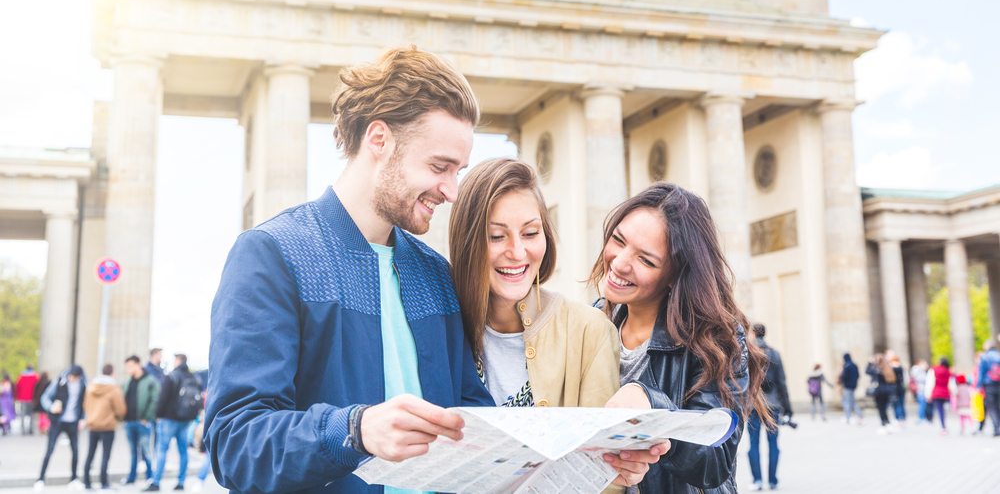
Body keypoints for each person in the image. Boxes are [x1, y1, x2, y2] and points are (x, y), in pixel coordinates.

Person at [206, 46, 664, 494]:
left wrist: (596, 460)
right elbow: (234, 443)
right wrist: (356, 429)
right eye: (439, 166)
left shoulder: (434, 274)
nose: (451, 191)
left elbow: (477, 424)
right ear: (379, 139)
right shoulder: (272, 256)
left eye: (458, 170)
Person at [589, 183, 771, 494]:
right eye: (618, 240)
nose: (619, 262)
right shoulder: (594, 320)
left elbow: (717, 459)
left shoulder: (715, 339)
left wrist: (653, 410)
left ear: (675, 276)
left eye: (646, 260)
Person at [448, 157, 620, 409]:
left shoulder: (589, 331)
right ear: (465, 241)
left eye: (530, 233)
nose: (517, 252)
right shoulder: (440, 327)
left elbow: (600, 445)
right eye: (496, 236)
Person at [146, 354, 203, 492]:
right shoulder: (195, 378)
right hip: (186, 420)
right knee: (183, 451)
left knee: (162, 450)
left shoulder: (172, 376)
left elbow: (163, 397)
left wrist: (158, 415)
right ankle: (181, 482)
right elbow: (199, 399)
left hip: (169, 419)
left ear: (177, 361)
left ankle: (156, 482)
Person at [743, 324, 789, 490]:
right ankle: (772, 480)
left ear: (754, 334)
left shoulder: (747, 353)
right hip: (773, 405)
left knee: (753, 444)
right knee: (773, 444)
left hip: (753, 404)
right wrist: (788, 407)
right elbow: (782, 382)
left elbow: (742, 381)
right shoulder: (774, 353)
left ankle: (757, 481)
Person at [36, 365, 87, 491]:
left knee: (75, 451)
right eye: (70, 376)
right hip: (57, 421)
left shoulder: (83, 385)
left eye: (74, 377)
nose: (72, 379)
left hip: (73, 422)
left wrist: (83, 418)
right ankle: (40, 479)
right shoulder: (59, 382)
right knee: (49, 450)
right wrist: (51, 407)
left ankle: (74, 479)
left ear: (79, 377)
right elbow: (45, 397)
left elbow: (85, 403)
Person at [82, 364, 126, 490]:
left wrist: (91, 417)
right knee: (105, 455)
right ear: (113, 373)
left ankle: (87, 482)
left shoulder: (91, 387)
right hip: (107, 426)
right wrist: (116, 418)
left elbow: (86, 405)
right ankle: (104, 483)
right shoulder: (114, 389)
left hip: (93, 425)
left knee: (90, 454)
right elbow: (119, 409)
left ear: (101, 372)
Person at [122, 355, 159, 486]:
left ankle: (150, 477)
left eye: (130, 366)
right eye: (127, 367)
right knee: (133, 451)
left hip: (143, 422)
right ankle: (131, 477)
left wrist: (146, 418)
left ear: (138, 364)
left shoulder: (150, 380)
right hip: (129, 422)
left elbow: (155, 400)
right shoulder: (128, 382)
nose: (128, 369)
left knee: (146, 450)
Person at [866, 353, 897, 434]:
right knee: (884, 409)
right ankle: (888, 423)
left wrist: (870, 363)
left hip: (879, 392)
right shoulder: (887, 368)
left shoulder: (877, 369)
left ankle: (884, 424)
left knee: (881, 409)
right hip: (887, 392)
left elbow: (867, 371)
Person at [977, 337, 1000, 436]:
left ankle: (996, 427)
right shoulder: (998, 355)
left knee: (992, 406)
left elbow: (981, 372)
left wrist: (979, 386)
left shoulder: (985, 356)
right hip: (998, 383)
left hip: (989, 384)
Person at [838, 353, 864, 425]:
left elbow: (844, 376)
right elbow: (858, 375)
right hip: (853, 385)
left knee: (849, 402)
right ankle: (855, 417)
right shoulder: (854, 365)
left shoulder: (846, 366)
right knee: (851, 401)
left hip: (848, 386)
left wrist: (841, 375)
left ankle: (850, 418)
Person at [930, 356, 952, 435]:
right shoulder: (948, 371)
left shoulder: (934, 370)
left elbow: (930, 382)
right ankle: (943, 426)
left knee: (939, 410)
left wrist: (928, 394)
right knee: (942, 410)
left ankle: (943, 427)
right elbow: (951, 383)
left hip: (936, 392)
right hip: (945, 393)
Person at [16, 364, 39, 435]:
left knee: (22, 414)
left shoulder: (21, 376)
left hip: (23, 398)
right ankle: (31, 429)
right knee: (32, 414)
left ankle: (23, 429)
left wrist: (17, 397)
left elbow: (18, 386)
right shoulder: (35, 376)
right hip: (32, 398)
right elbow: (38, 388)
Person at [887, 351, 907, 424]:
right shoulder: (901, 368)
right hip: (901, 387)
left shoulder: (893, 369)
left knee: (897, 404)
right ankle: (903, 418)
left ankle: (899, 418)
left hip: (895, 388)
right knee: (901, 404)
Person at [909, 359, 929, 424]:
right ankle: (921, 418)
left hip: (923, 389)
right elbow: (921, 378)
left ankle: (923, 418)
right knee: (922, 404)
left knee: (923, 404)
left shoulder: (920, 370)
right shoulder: (917, 369)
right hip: (920, 389)